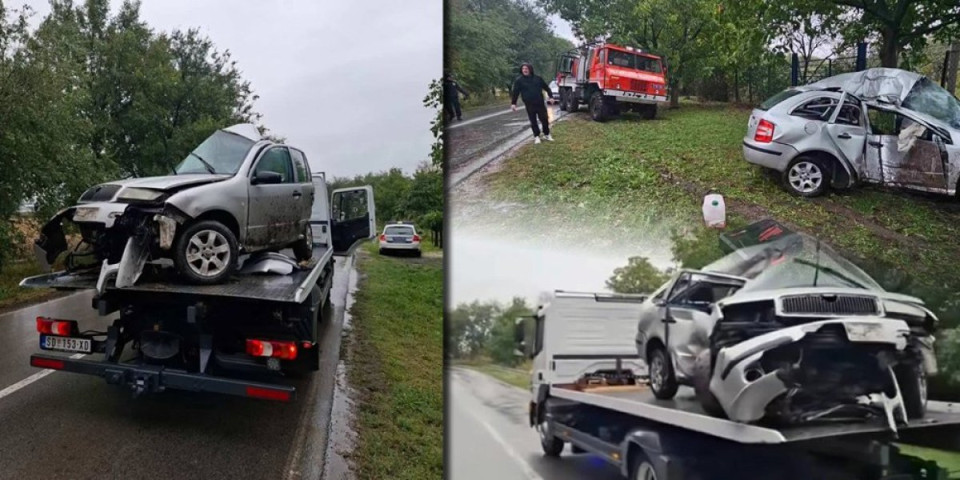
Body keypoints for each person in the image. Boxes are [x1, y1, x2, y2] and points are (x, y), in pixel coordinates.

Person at [510, 63, 553, 144]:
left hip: (540, 103)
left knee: (544, 119)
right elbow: (515, 92)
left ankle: (547, 134)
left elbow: (546, 87)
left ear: (530, 69)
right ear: (521, 70)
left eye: (526, 68)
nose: (525, 70)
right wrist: (513, 103)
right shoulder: (519, 81)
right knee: (533, 121)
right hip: (529, 104)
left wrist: (551, 96)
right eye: (523, 69)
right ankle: (536, 136)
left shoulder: (538, 79)